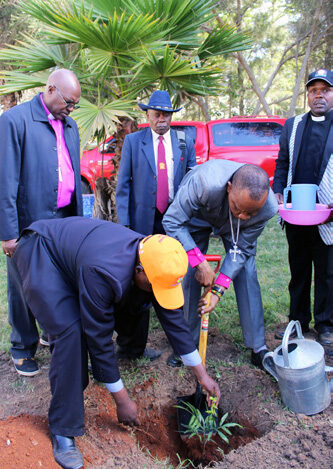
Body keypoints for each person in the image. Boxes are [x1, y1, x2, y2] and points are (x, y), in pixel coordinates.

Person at [13, 217, 220, 469]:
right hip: (41, 255)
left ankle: (86, 377)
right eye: (154, 284)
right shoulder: (103, 272)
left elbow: (173, 319)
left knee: (139, 298)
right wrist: (121, 400)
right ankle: (63, 430)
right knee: (70, 332)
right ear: (139, 271)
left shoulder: (154, 256)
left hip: (77, 256)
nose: (158, 292)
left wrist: (202, 376)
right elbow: (98, 339)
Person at [0, 68, 83, 376]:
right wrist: (9, 234)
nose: (72, 109)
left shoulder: (70, 124)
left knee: (59, 280)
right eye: (69, 102)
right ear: (50, 89)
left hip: (63, 219)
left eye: (75, 104)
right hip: (28, 221)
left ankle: (51, 331)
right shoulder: (14, 121)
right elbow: (5, 181)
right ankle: (22, 347)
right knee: (24, 287)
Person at [163, 160, 278, 369]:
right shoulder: (203, 182)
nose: (243, 215)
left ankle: (258, 346)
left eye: (250, 213)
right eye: (239, 208)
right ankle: (187, 346)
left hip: (235, 229)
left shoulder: (267, 207)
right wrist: (200, 263)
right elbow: (172, 221)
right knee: (190, 272)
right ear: (229, 188)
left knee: (246, 269)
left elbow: (241, 250)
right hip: (199, 213)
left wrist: (217, 291)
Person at [115, 90, 197, 361]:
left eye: (166, 115)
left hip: (173, 220)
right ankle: (134, 344)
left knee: (172, 275)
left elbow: (191, 182)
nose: (162, 120)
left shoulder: (184, 142)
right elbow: (123, 185)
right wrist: (125, 225)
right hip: (141, 222)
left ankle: (180, 342)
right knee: (140, 279)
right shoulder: (133, 142)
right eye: (157, 114)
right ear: (147, 115)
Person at [273, 69, 333, 346]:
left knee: (327, 272)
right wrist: (277, 192)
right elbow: (283, 162)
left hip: (327, 215)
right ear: (307, 95)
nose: (318, 95)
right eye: (313, 90)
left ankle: (326, 325)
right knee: (298, 270)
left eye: (325, 90)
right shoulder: (294, 125)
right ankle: (297, 321)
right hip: (297, 212)